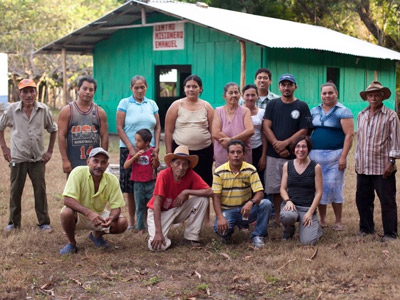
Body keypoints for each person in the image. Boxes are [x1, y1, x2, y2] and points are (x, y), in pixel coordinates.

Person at [0, 79, 58, 232]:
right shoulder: (11, 110)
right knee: (15, 190)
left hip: (37, 158)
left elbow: (53, 129)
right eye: (25, 91)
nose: (29, 95)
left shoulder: (43, 110)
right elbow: (1, 127)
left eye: (32, 91)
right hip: (18, 158)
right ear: (19, 94)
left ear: (36, 93)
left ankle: (44, 222)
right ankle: (13, 223)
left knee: (40, 190)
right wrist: (5, 149)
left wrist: (50, 151)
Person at [263, 73, 313, 226]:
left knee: (293, 186)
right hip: (273, 154)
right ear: (279, 87)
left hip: (294, 155)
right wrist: (277, 145)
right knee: (276, 187)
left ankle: (294, 215)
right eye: (283, 85)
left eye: (289, 84)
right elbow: (266, 126)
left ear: (295, 87)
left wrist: (286, 143)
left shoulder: (302, 106)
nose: (286, 87)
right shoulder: (272, 104)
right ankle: (278, 217)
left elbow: (305, 129)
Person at [59, 147, 127, 255]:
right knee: (66, 213)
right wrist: (89, 213)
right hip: (79, 215)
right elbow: (67, 200)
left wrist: (112, 218)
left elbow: (116, 206)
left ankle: (96, 235)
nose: (99, 166)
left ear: (107, 165)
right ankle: (71, 243)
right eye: (95, 161)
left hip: (99, 217)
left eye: (103, 162)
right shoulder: (77, 172)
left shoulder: (112, 179)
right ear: (88, 162)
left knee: (122, 222)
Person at [355, 81, 400, 242]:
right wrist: (357, 160)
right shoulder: (361, 115)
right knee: (362, 199)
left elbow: (395, 140)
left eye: (376, 95)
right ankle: (366, 229)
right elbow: (360, 141)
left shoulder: (390, 115)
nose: (373, 98)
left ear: (382, 97)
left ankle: (390, 233)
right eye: (370, 95)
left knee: (387, 201)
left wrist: (392, 162)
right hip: (363, 167)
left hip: (383, 167)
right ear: (366, 97)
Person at [116, 75, 161, 230]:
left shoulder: (152, 104)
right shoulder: (124, 103)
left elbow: (157, 127)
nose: (139, 90)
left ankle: (150, 220)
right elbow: (119, 127)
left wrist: (156, 147)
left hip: (149, 150)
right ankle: (132, 221)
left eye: (142, 87)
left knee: (149, 182)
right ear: (131, 88)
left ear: (146, 87)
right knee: (131, 186)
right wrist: (131, 147)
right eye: (136, 87)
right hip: (129, 149)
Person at [147, 145, 212, 251]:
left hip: (177, 209)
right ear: (171, 164)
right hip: (159, 212)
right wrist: (158, 232)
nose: (181, 167)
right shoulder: (163, 175)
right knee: (156, 247)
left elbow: (210, 191)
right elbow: (156, 204)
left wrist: (186, 191)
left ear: (188, 166)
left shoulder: (190, 174)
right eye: (177, 163)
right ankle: (163, 236)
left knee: (202, 199)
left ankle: (192, 236)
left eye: (184, 164)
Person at [309, 82, 354, 230]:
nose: (327, 96)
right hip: (315, 156)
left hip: (335, 157)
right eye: (324, 93)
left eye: (330, 93)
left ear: (336, 93)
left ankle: (338, 220)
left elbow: (349, 135)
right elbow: (308, 132)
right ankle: (322, 219)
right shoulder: (314, 110)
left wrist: (343, 157)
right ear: (321, 95)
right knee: (319, 188)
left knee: (334, 187)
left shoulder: (343, 111)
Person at [212, 140, 272, 248]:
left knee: (266, 204)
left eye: (239, 152)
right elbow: (216, 197)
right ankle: (227, 235)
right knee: (220, 230)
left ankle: (257, 235)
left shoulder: (250, 169)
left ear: (244, 155)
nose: (236, 155)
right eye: (232, 152)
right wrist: (220, 217)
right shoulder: (219, 171)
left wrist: (251, 202)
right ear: (227, 155)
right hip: (227, 210)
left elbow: (259, 192)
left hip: (245, 210)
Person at [165, 75, 214, 186]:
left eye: (194, 86)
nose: (191, 89)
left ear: (200, 89)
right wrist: (169, 152)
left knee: (204, 183)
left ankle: (203, 204)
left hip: (204, 152)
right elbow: (168, 131)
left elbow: (213, 131)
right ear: (184, 88)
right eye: (188, 86)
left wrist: (215, 151)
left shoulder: (207, 107)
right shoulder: (176, 105)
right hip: (180, 152)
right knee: (180, 182)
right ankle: (181, 204)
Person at [58, 76, 108, 174]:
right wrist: (65, 160)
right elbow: (61, 136)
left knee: (93, 188)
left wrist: (103, 159)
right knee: (74, 188)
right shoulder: (67, 111)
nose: (88, 92)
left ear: (94, 92)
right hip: (73, 161)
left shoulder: (100, 112)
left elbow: (104, 136)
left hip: (94, 163)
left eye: (91, 89)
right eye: (84, 88)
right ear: (78, 90)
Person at [280, 136, 323, 245]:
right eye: (297, 146)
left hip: (307, 208)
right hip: (291, 205)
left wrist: (310, 212)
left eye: (304, 146)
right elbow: (282, 189)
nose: (301, 150)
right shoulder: (287, 165)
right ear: (294, 149)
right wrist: (288, 201)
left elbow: (319, 193)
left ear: (308, 149)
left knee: (308, 242)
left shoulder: (316, 167)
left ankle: (315, 227)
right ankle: (289, 230)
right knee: (287, 216)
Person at [123, 128, 159, 234]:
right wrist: (134, 157)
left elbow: (156, 166)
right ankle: (140, 227)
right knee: (140, 206)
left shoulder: (152, 151)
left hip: (151, 182)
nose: (136, 143)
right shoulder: (134, 151)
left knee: (151, 206)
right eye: (135, 140)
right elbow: (125, 166)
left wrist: (156, 159)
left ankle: (151, 225)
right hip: (138, 184)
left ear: (147, 143)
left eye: (139, 141)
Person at [212, 82, 254, 168]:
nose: (234, 95)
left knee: (243, 179)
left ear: (240, 95)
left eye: (236, 92)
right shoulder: (218, 111)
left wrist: (230, 141)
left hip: (242, 154)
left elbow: (250, 130)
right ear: (225, 96)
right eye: (230, 93)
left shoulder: (245, 111)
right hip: (223, 154)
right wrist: (236, 144)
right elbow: (215, 133)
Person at [242, 84, 267, 187]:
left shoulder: (262, 112)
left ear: (257, 96)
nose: (250, 98)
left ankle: (258, 202)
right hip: (243, 150)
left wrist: (263, 156)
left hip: (258, 149)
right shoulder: (238, 111)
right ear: (242, 96)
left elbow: (264, 134)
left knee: (258, 179)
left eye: (253, 95)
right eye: (247, 95)